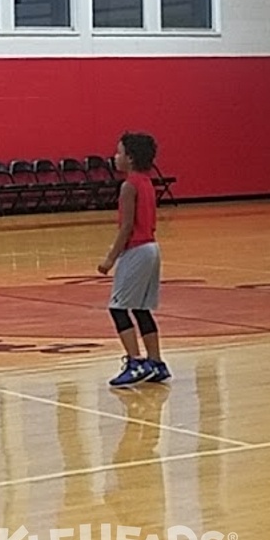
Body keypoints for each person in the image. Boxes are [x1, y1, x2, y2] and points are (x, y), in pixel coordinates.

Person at [99, 132, 170, 386]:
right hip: (152, 248)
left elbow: (127, 227)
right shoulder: (147, 182)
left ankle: (135, 361)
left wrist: (110, 258)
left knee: (117, 308)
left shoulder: (129, 185)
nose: (114, 157)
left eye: (118, 152)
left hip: (137, 250)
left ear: (129, 158)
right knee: (141, 309)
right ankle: (156, 361)